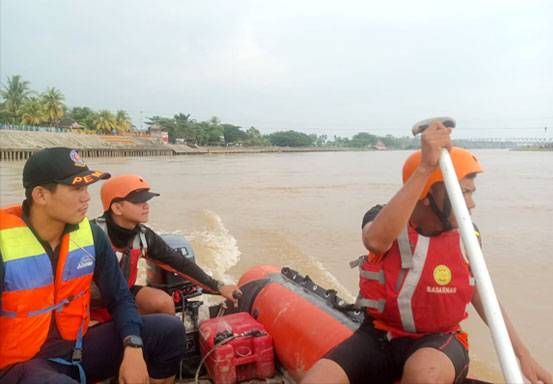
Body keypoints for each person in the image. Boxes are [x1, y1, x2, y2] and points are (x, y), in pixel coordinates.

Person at [302, 122, 551, 384]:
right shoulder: (382, 219)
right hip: (378, 335)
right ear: (428, 194)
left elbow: (484, 297)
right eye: (464, 192)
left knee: (424, 375)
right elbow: (375, 241)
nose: (471, 203)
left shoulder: (468, 236)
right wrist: (425, 168)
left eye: (470, 193)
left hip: (439, 341)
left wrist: (523, 356)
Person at [0, 147, 186, 384]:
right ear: (40, 195)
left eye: (87, 187)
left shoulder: (91, 235)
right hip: (18, 365)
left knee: (169, 331)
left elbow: (120, 297)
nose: (86, 197)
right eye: (76, 188)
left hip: (75, 348)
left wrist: (133, 346)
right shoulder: (4, 243)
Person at [90, 174, 240, 320]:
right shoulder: (89, 234)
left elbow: (179, 263)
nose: (146, 206)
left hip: (123, 293)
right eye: (138, 201)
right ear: (117, 208)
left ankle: (162, 337)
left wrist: (219, 287)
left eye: (147, 200)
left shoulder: (143, 236)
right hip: (89, 301)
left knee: (162, 302)